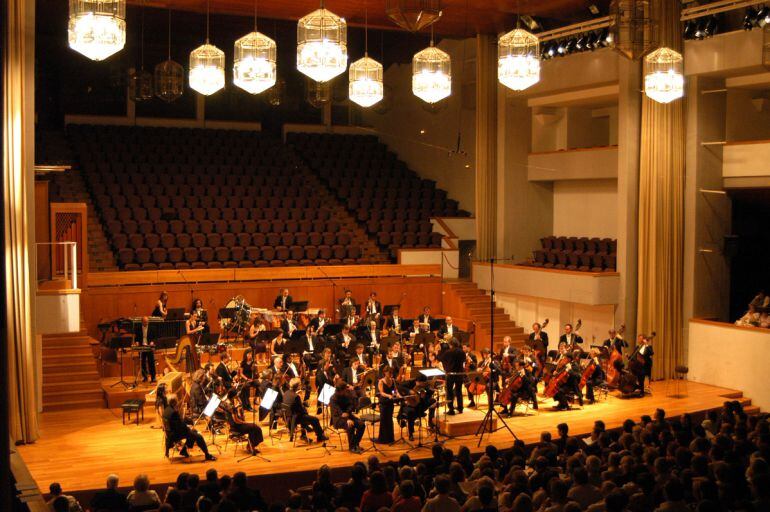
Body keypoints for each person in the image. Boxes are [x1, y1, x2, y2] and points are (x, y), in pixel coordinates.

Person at [162, 396, 216, 461]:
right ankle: (207, 455)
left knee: (193, 433)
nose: (177, 403)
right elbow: (180, 427)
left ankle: (184, 451)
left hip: (169, 434)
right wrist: (188, 428)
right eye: (176, 402)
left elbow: (177, 423)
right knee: (199, 437)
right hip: (175, 435)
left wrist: (188, 426)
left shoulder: (166, 410)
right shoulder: (174, 413)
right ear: (173, 403)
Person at [284, 378, 327, 443]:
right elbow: (301, 411)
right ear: (298, 386)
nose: (301, 386)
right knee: (315, 420)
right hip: (296, 418)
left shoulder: (286, 393)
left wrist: (302, 403)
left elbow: (294, 404)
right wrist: (305, 408)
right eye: (300, 384)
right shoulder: (296, 396)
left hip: (289, 417)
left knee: (306, 415)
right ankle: (320, 436)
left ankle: (303, 435)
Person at [330, 382, 365, 453]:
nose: (346, 391)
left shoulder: (346, 394)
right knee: (350, 426)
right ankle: (352, 447)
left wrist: (347, 412)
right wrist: (346, 419)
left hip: (348, 415)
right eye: (345, 390)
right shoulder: (333, 399)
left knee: (362, 425)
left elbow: (351, 405)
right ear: (340, 390)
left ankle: (355, 444)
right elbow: (339, 412)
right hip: (338, 419)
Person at [376, 365, 401, 443]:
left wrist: (399, 395)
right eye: (389, 372)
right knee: (383, 420)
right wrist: (389, 396)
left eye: (391, 372)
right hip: (383, 403)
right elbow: (381, 392)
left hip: (390, 403)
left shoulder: (393, 380)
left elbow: (396, 390)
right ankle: (383, 439)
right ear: (384, 373)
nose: (390, 374)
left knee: (389, 420)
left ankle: (390, 438)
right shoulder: (381, 381)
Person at [441, 339, 466, 415]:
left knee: (449, 391)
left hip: (450, 374)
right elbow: (464, 361)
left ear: (451, 344)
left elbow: (443, 360)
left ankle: (451, 409)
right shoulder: (462, 352)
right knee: (459, 391)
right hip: (459, 374)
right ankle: (460, 408)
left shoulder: (448, 352)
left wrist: (446, 369)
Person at [133, 316, 156, 383]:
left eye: (147, 322)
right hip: (142, 346)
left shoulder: (152, 328)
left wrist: (152, 341)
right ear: (142, 322)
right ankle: (145, 377)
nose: (146, 323)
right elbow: (136, 338)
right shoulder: (138, 328)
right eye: (145, 322)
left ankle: (153, 377)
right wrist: (136, 342)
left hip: (149, 346)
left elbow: (155, 337)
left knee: (151, 362)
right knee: (142, 362)